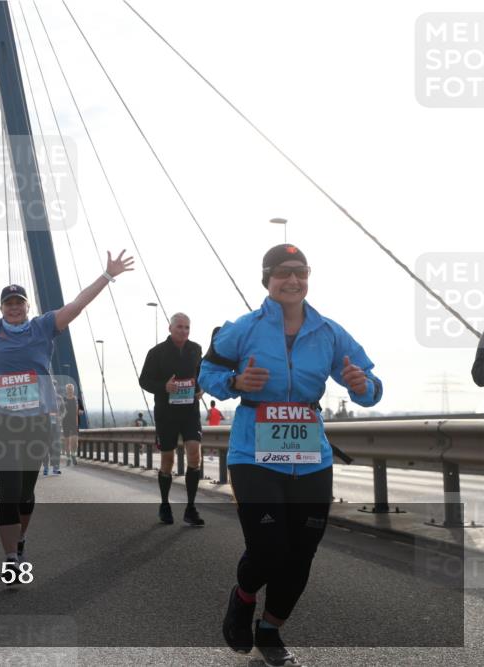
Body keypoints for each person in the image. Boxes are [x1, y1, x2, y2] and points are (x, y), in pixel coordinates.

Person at [200, 244, 382, 667]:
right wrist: (236, 380)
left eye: (300, 271)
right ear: (267, 279)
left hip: (310, 456)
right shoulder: (242, 328)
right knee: (269, 549)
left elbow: (371, 386)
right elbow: (208, 375)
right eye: (283, 272)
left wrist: (361, 385)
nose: (293, 279)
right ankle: (243, 598)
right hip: (253, 453)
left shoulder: (328, 332)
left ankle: (271, 630)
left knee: (302, 550)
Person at [0, 248, 133, 581]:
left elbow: (76, 305)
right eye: (8, 304)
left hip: (38, 424)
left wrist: (106, 275)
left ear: (27, 307)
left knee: (27, 494)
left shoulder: (44, 327)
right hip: (3, 424)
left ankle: (21, 538)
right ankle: (11, 557)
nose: (14, 308)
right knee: (9, 491)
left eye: (19, 303)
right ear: (1, 308)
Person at [139, 312, 206, 527]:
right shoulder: (156, 352)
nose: (184, 331)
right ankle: (165, 504)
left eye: (187, 327)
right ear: (170, 328)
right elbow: (144, 380)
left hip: (190, 413)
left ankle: (191, 507)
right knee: (167, 460)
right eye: (180, 327)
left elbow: (203, 374)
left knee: (195, 454)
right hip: (166, 414)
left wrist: (201, 389)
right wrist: (164, 387)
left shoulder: (196, 349)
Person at [61, 383, 83, 466]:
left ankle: (73, 454)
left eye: (71, 389)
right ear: (66, 390)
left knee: (75, 441)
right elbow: (59, 410)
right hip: (65, 422)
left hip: (75, 422)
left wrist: (80, 412)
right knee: (67, 442)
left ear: (73, 390)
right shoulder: (63, 400)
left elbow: (81, 410)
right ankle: (68, 458)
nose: (70, 390)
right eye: (68, 389)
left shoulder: (77, 399)